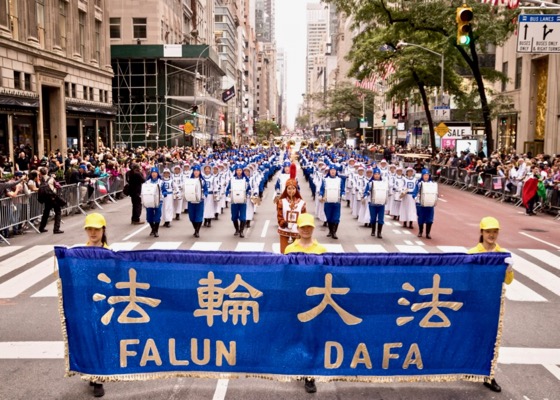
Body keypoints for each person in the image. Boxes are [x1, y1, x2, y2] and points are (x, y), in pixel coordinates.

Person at [467, 216, 514, 393]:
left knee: (491, 340)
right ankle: (470, 369)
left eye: (495, 232)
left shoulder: (502, 255)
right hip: (475, 303)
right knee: (472, 336)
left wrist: (509, 270)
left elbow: (508, 281)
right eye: (488, 231)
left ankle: (489, 375)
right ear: (481, 232)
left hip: (493, 304)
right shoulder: (473, 253)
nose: (492, 235)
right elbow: (466, 278)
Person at [284, 213, 326, 394]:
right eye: (303, 227)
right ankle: (301, 367)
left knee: (312, 337)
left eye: (309, 226)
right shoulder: (290, 250)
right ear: (298, 229)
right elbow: (286, 275)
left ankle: (310, 376)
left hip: (316, 301)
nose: (306, 230)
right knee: (297, 336)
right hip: (297, 299)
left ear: (313, 228)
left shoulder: (321, 250)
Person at [82, 213, 108, 397]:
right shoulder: (78, 254)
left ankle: (98, 379)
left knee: (101, 339)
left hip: (104, 305)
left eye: (96, 229)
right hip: (84, 303)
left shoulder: (109, 253)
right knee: (87, 338)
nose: (93, 232)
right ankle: (90, 371)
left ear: (103, 230)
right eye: (89, 229)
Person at [277, 164, 307, 254]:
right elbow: (279, 215)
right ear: (286, 189)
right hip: (284, 232)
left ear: (296, 190)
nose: (291, 191)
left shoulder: (302, 203)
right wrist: (283, 223)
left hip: (297, 233)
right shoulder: (281, 202)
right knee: (285, 253)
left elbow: (305, 218)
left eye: (293, 188)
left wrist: (302, 227)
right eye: (289, 189)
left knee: (297, 254)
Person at [319, 165, 345, 239]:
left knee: (336, 218)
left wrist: (343, 195)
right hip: (327, 202)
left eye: (334, 170)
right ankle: (330, 230)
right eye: (331, 170)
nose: (333, 171)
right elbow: (322, 189)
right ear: (329, 171)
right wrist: (321, 195)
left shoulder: (340, 180)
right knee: (329, 218)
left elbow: (343, 190)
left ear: (336, 171)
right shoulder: (325, 180)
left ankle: (334, 232)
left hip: (337, 202)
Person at [38, 167, 64, 234]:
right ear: (46, 172)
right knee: (58, 212)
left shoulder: (40, 180)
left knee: (46, 213)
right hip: (53, 197)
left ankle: (41, 228)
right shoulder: (51, 179)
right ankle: (56, 229)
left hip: (46, 198)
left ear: (40, 173)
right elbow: (58, 186)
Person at [186, 165, 208, 238]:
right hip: (191, 201)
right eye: (195, 171)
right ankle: (195, 229)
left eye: (197, 171)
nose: (196, 172)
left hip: (199, 201)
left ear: (199, 172)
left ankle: (197, 231)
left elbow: (206, 190)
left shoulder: (202, 181)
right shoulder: (189, 180)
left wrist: (204, 195)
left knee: (199, 216)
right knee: (192, 217)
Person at [413, 169, 435, 239]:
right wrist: (415, 196)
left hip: (429, 202)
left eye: (427, 175)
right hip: (420, 202)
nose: (426, 177)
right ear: (422, 176)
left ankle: (428, 233)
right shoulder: (419, 183)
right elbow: (415, 191)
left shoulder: (432, 183)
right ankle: (420, 231)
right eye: (425, 175)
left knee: (430, 218)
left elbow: (435, 192)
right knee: (421, 217)